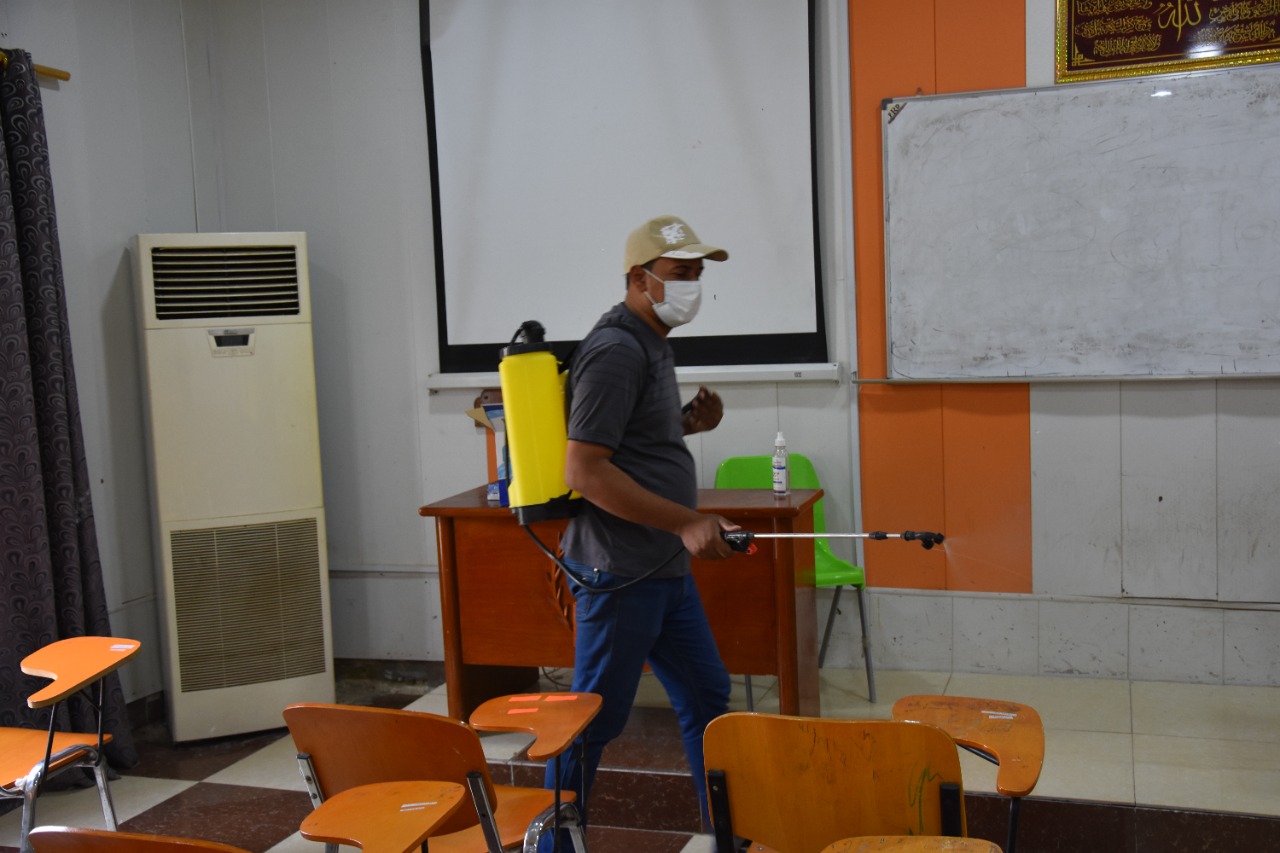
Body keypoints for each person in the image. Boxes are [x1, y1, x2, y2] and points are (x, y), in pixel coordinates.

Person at [542, 214, 739, 844]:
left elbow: (625, 441)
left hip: (660, 568)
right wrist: (686, 522)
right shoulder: (617, 349)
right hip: (621, 572)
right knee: (591, 722)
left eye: (697, 274)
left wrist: (682, 424)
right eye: (680, 273)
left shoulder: (652, 341)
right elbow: (584, 469)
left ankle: (728, 832)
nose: (692, 286)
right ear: (639, 279)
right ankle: (553, 843)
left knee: (707, 696)